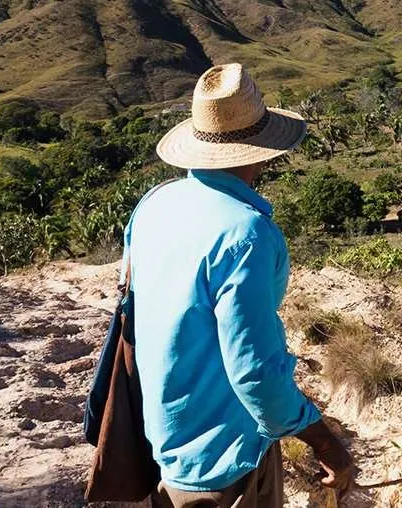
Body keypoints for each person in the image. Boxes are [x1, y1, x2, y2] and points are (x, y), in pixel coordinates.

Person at [125, 63, 354, 506]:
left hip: (159, 435)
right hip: (223, 458)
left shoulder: (153, 204)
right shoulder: (246, 235)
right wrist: (327, 444)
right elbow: (254, 373)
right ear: (265, 148)